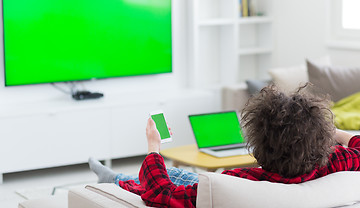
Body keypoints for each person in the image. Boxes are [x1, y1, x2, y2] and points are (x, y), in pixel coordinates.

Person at [89, 83, 360, 208]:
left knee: (174, 177)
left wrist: (153, 147)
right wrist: (330, 131)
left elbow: (160, 193)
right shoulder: (340, 161)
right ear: (321, 137)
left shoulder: (237, 181)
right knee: (182, 175)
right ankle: (113, 176)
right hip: (204, 182)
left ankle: (114, 178)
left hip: (198, 186)